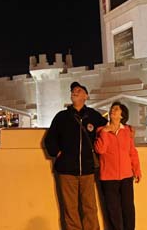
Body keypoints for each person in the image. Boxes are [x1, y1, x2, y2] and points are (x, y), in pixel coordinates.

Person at [44, 81, 108, 230]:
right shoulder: (61, 117)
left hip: (87, 170)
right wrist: (58, 154)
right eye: (73, 90)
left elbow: (108, 129)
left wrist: (127, 128)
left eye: (78, 90)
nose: (74, 91)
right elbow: (50, 139)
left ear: (86, 96)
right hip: (66, 171)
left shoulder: (93, 115)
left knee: (90, 207)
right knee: (70, 209)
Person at [94, 102, 142, 230]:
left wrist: (136, 169)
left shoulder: (127, 131)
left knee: (128, 209)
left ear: (122, 115)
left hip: (126, 176)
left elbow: (132, 152)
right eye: (112, 109)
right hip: (108, 178)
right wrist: (105, 132)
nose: (112, 111)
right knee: (113, 211)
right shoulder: (101, 131)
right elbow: (100, 150)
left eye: (116, 109)